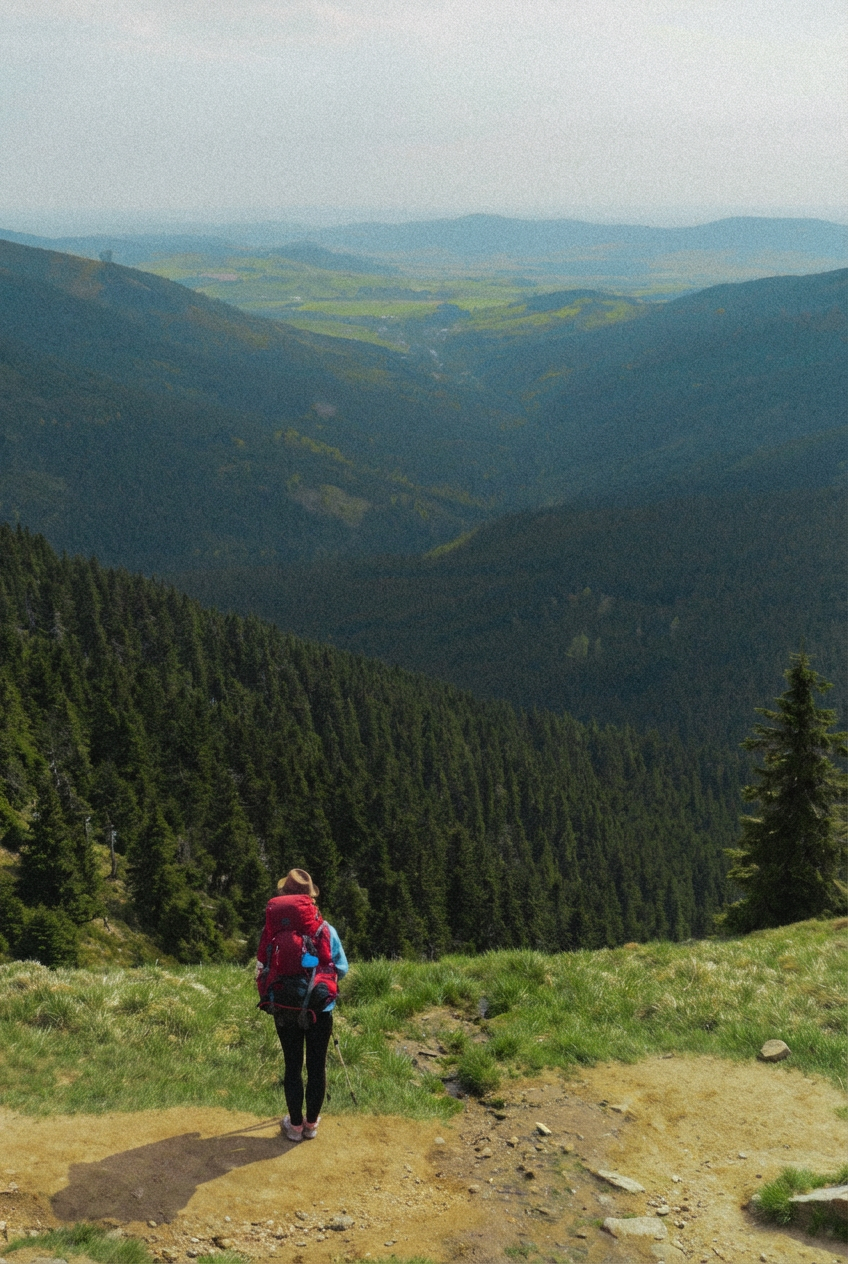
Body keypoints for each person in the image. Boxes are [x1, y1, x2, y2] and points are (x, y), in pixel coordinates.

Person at [256, 868, 348, 1142]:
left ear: (284, 895)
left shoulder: (271, 929)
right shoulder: (325, 928)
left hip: (284, 1007)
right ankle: (311, 1125)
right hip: (319, 1010)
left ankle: (294, 1127)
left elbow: (263, 964)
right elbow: (341, 968)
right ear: (310, 898)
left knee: (292, 1065)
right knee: (316, 1066)